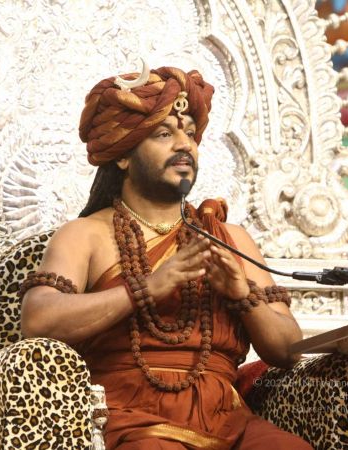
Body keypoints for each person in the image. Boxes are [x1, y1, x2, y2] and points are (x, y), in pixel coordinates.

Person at [20, 66, 312, 450]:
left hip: (228, 420)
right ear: (123, 156)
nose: (184, 144)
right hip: (130, 417)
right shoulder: (86, 234)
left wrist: (243, 295)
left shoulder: (229, 238)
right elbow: (38, 320)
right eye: (164, 134)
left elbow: (289, 351)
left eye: (190, 133)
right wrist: (148, 287)